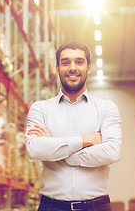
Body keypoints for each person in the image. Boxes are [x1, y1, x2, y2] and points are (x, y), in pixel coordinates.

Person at [25, 41, 122, 211]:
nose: (72, 68)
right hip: (51, 206)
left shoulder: (106, 108)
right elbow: (35, 150)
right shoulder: (40, 108)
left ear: (89, 67)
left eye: (79, 62)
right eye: (65, 62)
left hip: (96, 207)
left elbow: (112, 152)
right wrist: (86, 140)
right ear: (57, 68)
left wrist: (58, 149)